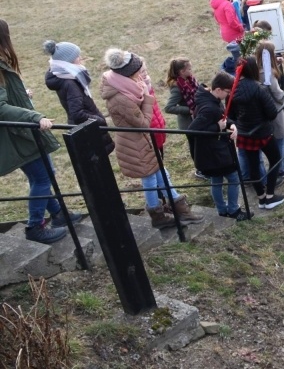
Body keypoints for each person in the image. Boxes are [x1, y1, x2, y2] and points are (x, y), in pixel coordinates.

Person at [100, 48, 204, 228]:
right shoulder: (120, 97)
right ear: (128, 73)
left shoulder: (126, 87)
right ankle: (159, 216)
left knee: (161, 174)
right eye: (137, 72)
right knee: (150, 178)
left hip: (142, 140)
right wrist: (148, 100)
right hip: (136, 143)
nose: (140, 75)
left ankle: (179, 210)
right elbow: (143, 123)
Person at [0, 20, 81, 244]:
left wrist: (22, 95)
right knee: (43, 176)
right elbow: (0, 107)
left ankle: (58, 214)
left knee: (42, 174)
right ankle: (35, 226)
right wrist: (35, 117)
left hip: (18, 133)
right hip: (19, 134)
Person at [188, 72, 251, 221]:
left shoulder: (211, 99)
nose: (228, 96)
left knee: (216, 181)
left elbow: (222, 115)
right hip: (216, 153)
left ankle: (222, 210)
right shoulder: (209, 107)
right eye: (227, 92)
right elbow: (191, 130)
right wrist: (217, 127)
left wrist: (231, 124)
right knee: (234, 179)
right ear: (218, 90)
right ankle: (234, 210)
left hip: (213, 152)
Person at [227, 56, 284, 210]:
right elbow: (272, 113)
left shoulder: (232, 89)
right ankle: (270, 196)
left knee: (253, 166)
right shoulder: (259, 88)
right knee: (276, 159)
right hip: (263, 132)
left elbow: (230, 115)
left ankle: (261, 198)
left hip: (245, 135)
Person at [43, 39, 114, 154]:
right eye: (76, 56)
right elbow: (77, 114)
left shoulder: (63, 76)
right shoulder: (70, 83)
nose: (80, 58)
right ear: (68, 61)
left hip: (84, 129)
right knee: (98, 166)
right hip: (88, 130)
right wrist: (99, 120)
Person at [256, 40, 284, 180]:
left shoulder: (257, 68)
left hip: (268, 107)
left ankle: (281, 164)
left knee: (279, 138)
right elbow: (276, 91)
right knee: (281, 138)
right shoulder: (266, 73)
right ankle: (281, 168)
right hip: (276, 107)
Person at [164, 57, 207, 180]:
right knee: (195, 147)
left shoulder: (190, 80)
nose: (191, 70)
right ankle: (200, 170)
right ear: (182, 72)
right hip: (189, 123)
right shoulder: (177, 87)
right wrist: (189, 110)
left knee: (202, 145)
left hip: (197, 119)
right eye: (189, 68)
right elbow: (169, 108)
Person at [211, 0, 244, 75]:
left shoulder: (217, 5)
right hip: (233, 32)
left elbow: (217, 19)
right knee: (240, 55)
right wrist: (240, 27)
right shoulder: (227, 5)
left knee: (235, 53)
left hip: (224, 32)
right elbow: (232, 21)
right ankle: (239, 73)